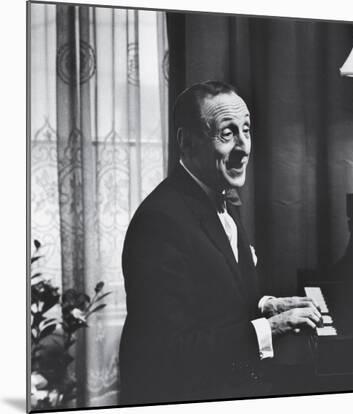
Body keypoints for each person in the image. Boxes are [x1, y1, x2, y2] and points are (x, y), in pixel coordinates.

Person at [119, 81, 322, 405]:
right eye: (227, 134)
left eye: (246, 130)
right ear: (187, 143)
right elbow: (169, 352)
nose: (244, 147)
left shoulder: (214, 192)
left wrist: (267, 304)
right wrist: (272, 328)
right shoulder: (159, 223)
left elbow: (212, 297)